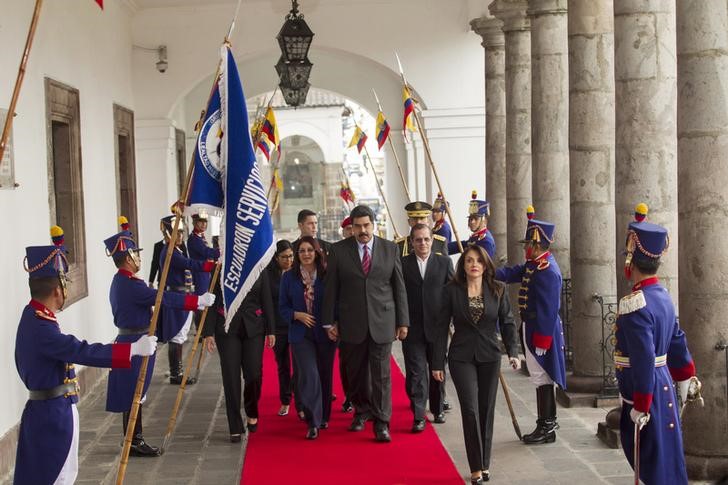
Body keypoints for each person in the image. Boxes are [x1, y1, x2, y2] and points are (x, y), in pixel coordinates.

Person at [14, 226, 157, 484]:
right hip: (52, 417)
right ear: (58, 289)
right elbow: (80, 350)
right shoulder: (41, 327)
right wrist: (131, 349)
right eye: (65, 282)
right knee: (58, 478)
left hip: (52, 411)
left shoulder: (33, 317)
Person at [103, 227, 215, 456]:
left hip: (133, 338)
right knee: (135, 394)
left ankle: (133, 438)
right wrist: (196, 301)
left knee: (136, 393)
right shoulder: (131, 285)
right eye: (136, 253)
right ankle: (134, 440)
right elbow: (163, 297)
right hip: (134, 339)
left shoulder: (122, 281)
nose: (139, 257)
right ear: (128, 257)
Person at [615, 203, 701, 485]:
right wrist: (686, 373)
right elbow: (677, 339)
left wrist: (640, 404)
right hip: (662, 383)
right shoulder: (662, 295)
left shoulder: (634, 304)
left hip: (646, 390)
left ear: (631, 260)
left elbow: (642, 359)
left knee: (649, 461)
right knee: (665, 456)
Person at [433, 244, 520, 484]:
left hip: (490, 356)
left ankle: (485, 462)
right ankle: (475, 468)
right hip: (461, 357)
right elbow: (440, 327)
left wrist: (513, 351)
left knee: (486, 408)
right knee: (470, 409)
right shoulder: (451, 291)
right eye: (469, 260)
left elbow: (508, 322)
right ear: (463, 265)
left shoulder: (498, 289)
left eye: (478, 261)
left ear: (485, 265)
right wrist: (437, 362)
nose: (474, 264)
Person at [322, 205, 409, 442]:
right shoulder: (339, 251)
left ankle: (382, 422)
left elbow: (399, 287)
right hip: (351, 323)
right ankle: (361, 411)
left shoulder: (390, 249)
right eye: (357, 226)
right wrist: (329, 322)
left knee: (382, 375)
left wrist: (403, 321)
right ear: (352, 227)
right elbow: (332, 289)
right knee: (356, 374)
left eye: (366, 225)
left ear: (374, 224)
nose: (362, 230)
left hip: (383, 321)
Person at [495, 207, 566, 444]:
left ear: (537, 245)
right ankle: (546, 424)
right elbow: (514, 273)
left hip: (541, 331)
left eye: (528, 243)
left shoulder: (547, 270)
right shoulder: (535, 264)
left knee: (543, 378)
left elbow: (548, 309)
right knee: (540, 378)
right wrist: (490, 273)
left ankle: (546, 426)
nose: (526, 247)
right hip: (531, 326)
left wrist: (543, 341)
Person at [203, 270, 275, 441]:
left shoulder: (260, 266)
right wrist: (208, 332)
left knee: (254, 374)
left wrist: (271, 329)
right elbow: (212, 301)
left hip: (254, 327)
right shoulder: (222, 268)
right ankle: (234, 426)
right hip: (227, 329)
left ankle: (251, 411)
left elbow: (267, 300)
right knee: (231, 377)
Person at [280, 236, 337, 439]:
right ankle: (312, 421)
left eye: (309, 250)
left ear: (317, 252)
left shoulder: (327, 274)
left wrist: (335, 324)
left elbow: (336, 300)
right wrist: (297, 315)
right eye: (302, 251)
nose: (306, 254)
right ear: (297, 254)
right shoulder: (289, 277)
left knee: (324, 374)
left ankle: (324, 417)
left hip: (325, 331)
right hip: (300, 334)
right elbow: (282, 307)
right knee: (309, 374)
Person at [401, 223, 453, 432]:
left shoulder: (444, 262)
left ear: (432, 240)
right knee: (416, 373)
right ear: (411, 242)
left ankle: (438, 408)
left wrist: (454, 319)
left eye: (426, 239)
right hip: (411, 328)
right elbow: (399, 294)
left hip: (438, 327)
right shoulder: (402, 263)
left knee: (437, 370)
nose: (422, 243)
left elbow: (452, 292)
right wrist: (400, 322)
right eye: (418, 239)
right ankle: (419, 414)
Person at [158, 215, 215, 385]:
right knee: (177, 336)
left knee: (181, 335)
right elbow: (190, 264)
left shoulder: (176, 250)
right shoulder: (170, 252)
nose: (180, 236)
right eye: (177, 232)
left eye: (182, 232)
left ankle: (178, 371)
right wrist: (210, 265)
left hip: (184, 295)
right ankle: (176, 373)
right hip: (177, 297)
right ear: (168, 233)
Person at [259, 240, 297, 417]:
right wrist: (270, 330)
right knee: (283, 365)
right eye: (284, 257)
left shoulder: (299, 272)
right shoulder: (268, 274)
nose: (288, 260)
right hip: (279, 326)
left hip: (298, 323)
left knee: (300, 364)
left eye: (291, 256)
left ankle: (302, 399)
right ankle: (285, 400)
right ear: (276, 257)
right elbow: (267, 304)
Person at [448, 190, 496, 260]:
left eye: (475, 219)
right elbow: (463, 244)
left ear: (484, 220)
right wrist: (442, 248)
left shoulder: (486, 242)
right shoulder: (476, 237)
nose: (472, 221)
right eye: (470, 218)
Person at [338, 216, 354, 413]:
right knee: (347, 361)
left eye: (354, 227)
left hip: (369, 317)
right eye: (348, 229)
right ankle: (349, 396)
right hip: (345, 317)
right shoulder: (337, 253)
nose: (351, 232)